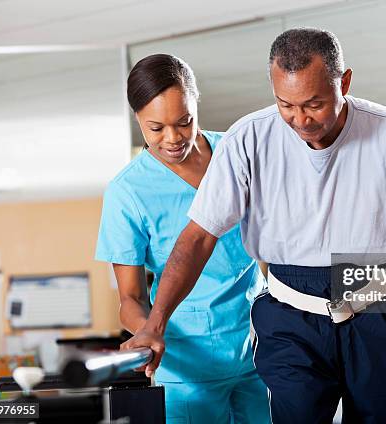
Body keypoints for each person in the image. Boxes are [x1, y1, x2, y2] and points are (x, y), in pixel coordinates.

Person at [124, 29, 386, 423]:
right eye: (286, 104)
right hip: (290, 315)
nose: (300, 119)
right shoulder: (248, 139)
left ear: (343, 82)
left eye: (314, 103)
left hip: (379, 308)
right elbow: (197, 238)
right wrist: (154, 324)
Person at [95, 54, 270, 424]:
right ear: (137, 120)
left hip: (257, 349)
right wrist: (147, 329)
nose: (173, 139)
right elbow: (129, 298)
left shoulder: (235, 153)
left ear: (196, 105)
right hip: (185, 365)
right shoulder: (128, 192)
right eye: (155, 128)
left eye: (184, 122)